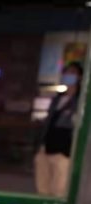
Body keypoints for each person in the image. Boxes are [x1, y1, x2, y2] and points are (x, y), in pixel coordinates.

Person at [34, 62, 83, 197]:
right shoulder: (57, 99)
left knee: (59, 189)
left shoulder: (80, 101)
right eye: (66, 72)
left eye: (72, 73)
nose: (68, 76)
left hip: (63, 151)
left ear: (80, 77)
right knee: (42, 187)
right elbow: (50, 121)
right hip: (46, 147)